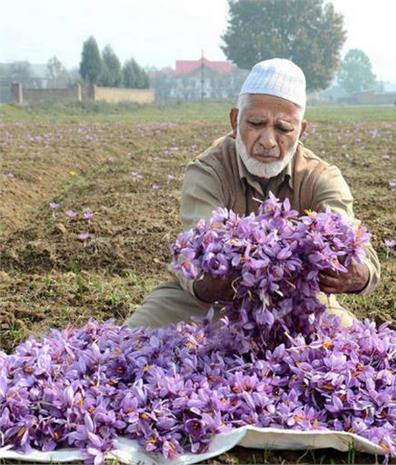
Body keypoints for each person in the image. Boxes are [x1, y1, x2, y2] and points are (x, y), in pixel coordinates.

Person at [125, 58, 381, 329]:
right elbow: (196, 248)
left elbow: (354, 244)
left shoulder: (320, 177)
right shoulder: (208, 171)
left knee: (353, 347)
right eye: (256, 123)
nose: (268, 141)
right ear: (235, 121)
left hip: (297, 298)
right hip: (211, 300)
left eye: (283, 128)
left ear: (301, 130)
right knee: (132, 339)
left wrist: (357, 273)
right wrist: (209, 280)